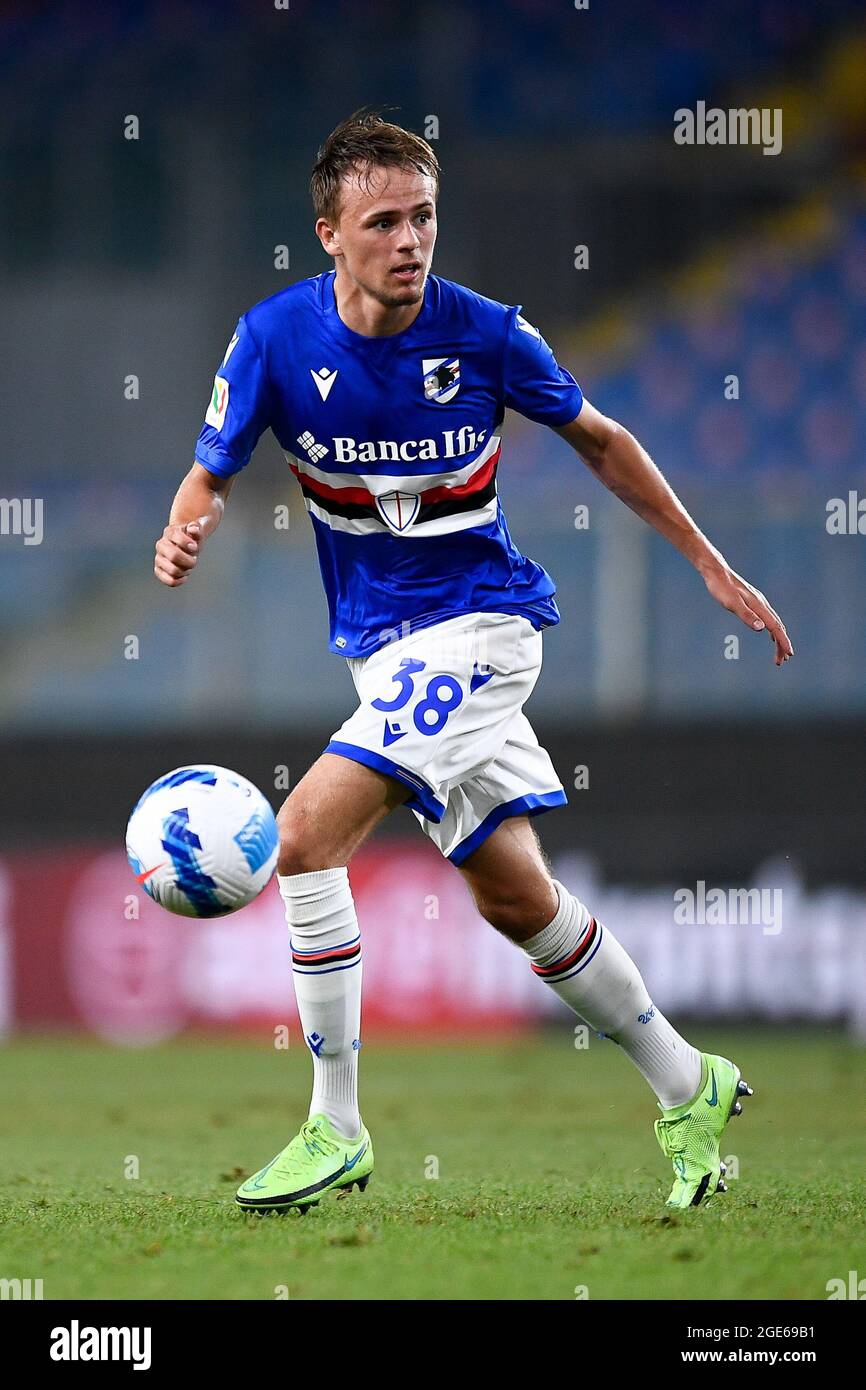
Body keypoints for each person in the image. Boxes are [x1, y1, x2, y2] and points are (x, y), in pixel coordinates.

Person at [154, 108, 792, 1214]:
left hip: (483, 632)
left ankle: (333, 1124)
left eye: (425, 217)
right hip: (383, 655)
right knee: (516, 898)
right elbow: (209, 464)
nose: (410, 240)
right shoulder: (271, 340)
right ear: (329, 234)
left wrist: (707, 561)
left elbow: (599, 437)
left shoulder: (487, 334)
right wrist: (186, 521)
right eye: (385, 221)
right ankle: (690, 1082)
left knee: (302, 837)